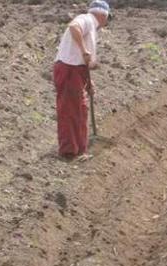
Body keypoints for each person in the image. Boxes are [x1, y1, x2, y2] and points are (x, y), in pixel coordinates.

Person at [53, 0, 111, 159]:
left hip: (76, 71)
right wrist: (84, 50)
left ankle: (80, 149)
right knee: (70, 111)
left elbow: (82, 62)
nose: (106, 22)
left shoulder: (92, 27)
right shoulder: (87, 19)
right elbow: (73, 27)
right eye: (107, 18)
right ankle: (69, 151)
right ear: (102, 14)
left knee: (80, 109)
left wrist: (88, 82)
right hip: (68, 69)